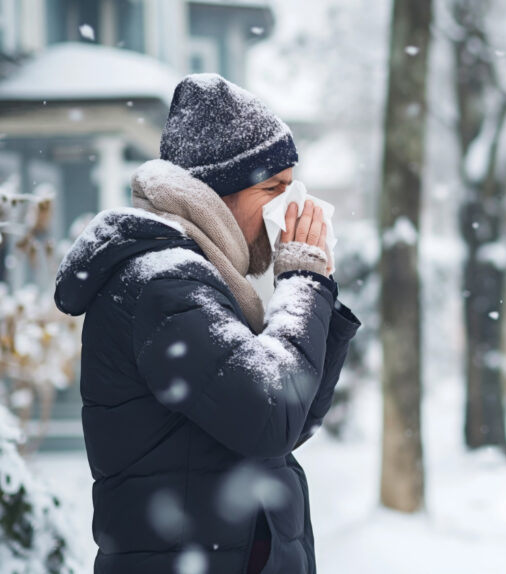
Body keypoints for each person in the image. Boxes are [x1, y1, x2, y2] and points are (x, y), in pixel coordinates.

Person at [53, 73, 361, 574]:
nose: (292, 205)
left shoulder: (208, 280)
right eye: (273, 188)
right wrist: (303, 281)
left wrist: (314, 292)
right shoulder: (164, 285)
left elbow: (292, 422)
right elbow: (270, 416)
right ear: (215, 195)